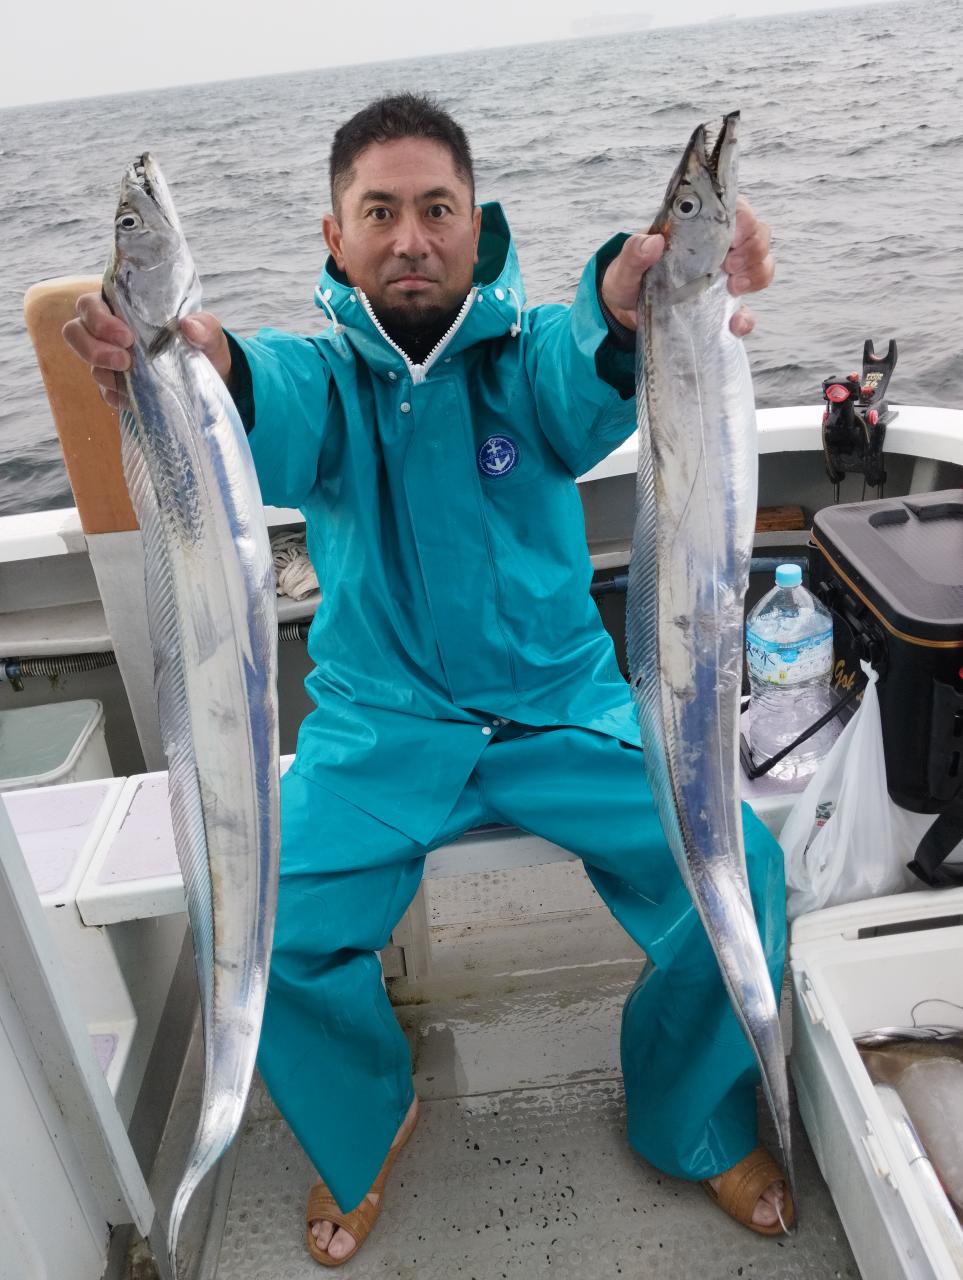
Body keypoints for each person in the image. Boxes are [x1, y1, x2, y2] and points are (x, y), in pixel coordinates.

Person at [64, 93, 787, 1267]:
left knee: (742, 872)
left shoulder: (529, 357)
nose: (411, 237)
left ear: (476, 222)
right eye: (380, 211)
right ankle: (367, 1117)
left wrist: (632, 296)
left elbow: (590, 362)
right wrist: (193, 361)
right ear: (335, 235)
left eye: (437, 209)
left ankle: (689, 1117)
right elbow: (258, 394)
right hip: (380, 730)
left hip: (563, 711)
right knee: (259, 922)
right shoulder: (323, 380)